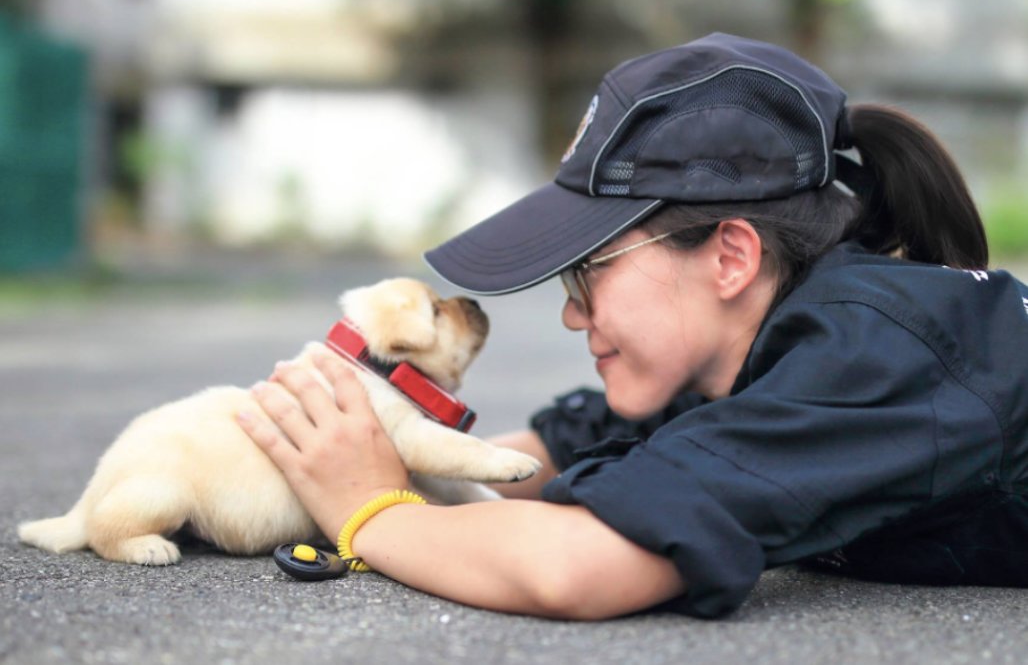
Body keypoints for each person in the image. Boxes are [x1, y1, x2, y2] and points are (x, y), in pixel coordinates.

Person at [236, 33, 1028, 619]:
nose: (571, 311)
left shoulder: (872, 351)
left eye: (590, 271)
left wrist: (369, 508)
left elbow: (579, 567)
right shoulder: (748, 352)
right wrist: (348, 454)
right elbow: (551, 454)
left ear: (730, 258)